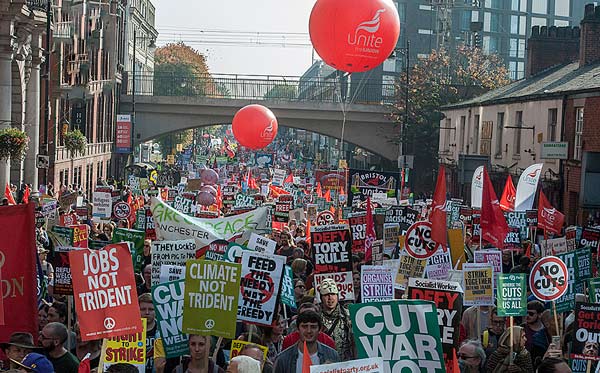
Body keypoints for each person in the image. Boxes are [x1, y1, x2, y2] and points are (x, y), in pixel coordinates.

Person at [273, 311, 339, 373]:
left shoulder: (332, 355)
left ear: (320, 330)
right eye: (304, 326)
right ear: (297, 329)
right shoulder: (283, 359)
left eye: (313, 327)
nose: (309, 331)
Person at [318, 278, 353, 360]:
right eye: (326, 295)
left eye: (333, 294)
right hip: (324, 363)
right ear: (321, 297)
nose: (330, 298)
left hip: (346, 363)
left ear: (337, 296)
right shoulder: (316, 319)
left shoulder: (348, 315)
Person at [522, 301, 550, 366]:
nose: (527, 316)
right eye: (526, 313)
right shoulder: (521, 328)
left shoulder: (546, 331)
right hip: (524, 364)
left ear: (540, 314)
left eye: (531, 314)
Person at [138, 293, 157, 373]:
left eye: (151, 309)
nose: (147, 312)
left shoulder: (163, 330)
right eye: (143, 309)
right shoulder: (129, 330)